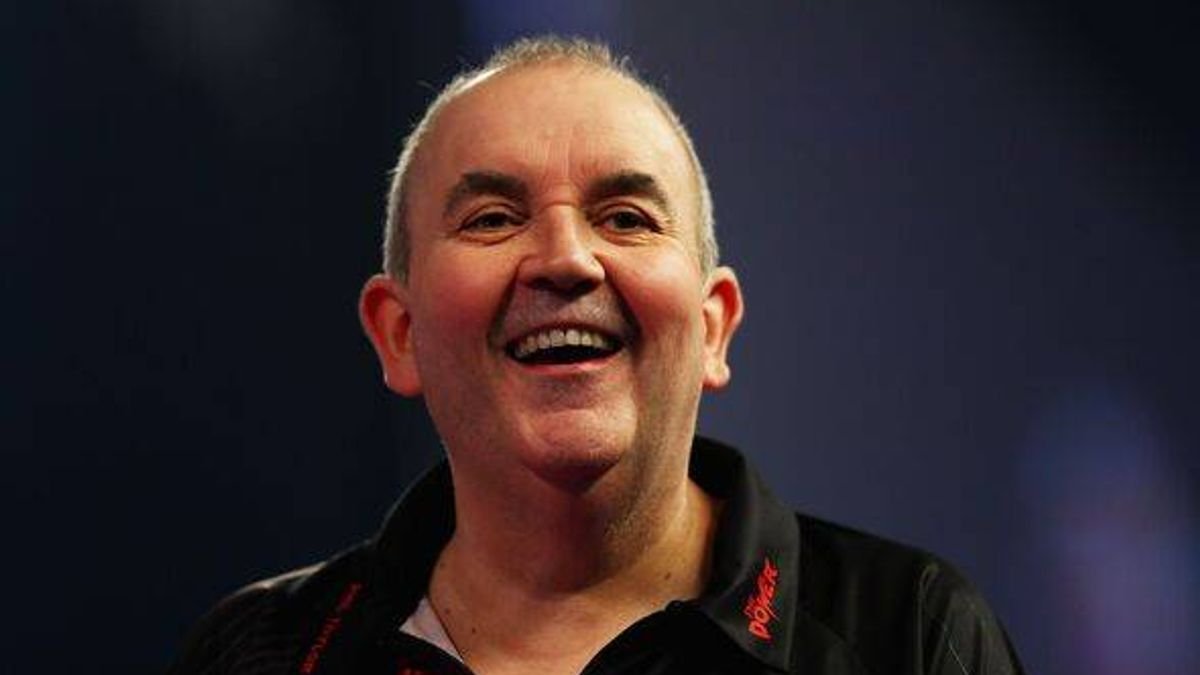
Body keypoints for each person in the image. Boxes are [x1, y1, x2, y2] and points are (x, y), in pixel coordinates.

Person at [170, 36, 1024, 675]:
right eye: (493, 219)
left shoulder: (910, 634)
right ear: (399, 334)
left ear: (714, 327)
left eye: (625, 218)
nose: (567, 258)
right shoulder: (262, 651)